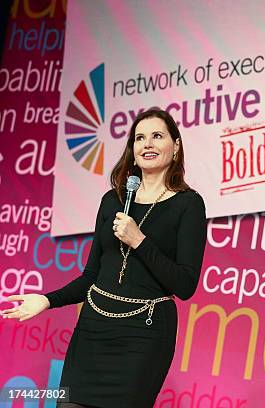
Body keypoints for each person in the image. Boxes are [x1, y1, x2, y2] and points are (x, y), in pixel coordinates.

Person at [1, 108, 207, 407]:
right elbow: (91, 277)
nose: (147, 144)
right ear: (132, 150)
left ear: (175, 147)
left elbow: (185, 285)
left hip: (144, 337)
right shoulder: (113, 200)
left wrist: (139, 240)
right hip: (93, 330)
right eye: (139, 138)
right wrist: (47, 300)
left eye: (157, 136)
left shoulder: (188, 204)